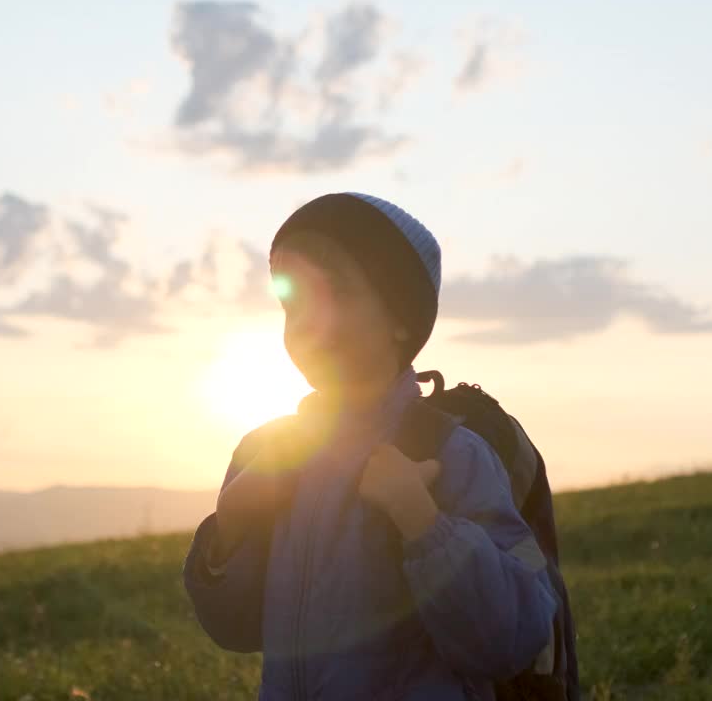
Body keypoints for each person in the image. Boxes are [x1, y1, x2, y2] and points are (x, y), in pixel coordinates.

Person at [183, 192, 558, 700]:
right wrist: (229, 529)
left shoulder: (449, 455)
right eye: (292, 302)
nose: (308, 320)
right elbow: (235, 628)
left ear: (401, 316)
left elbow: (511, 639)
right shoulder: (266, 454)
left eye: (335, 291)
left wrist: (426, 527)